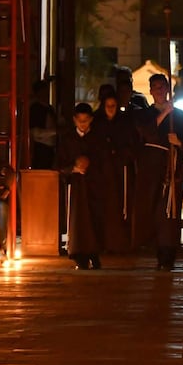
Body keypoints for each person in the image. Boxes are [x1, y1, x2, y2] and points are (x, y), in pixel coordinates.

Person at [133, 74, 183, 270]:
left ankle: (168, 253)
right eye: (156, 87)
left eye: (163, 87)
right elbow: (145, 133)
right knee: (152, 209)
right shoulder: (144, 114)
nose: (160, 91)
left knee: (169, 210)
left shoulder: (179, 115)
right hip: (151, 169)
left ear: (168, 89)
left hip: (171, 167)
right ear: (150, 91)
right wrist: (163, 114)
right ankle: (154, 247)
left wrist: (178, 142)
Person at [56, 103, 105, 269]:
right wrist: (73, 168)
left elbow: (104, 161)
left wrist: (90, 166)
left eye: (86, 120)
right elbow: (59, 164)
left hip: (94, 184)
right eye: (79, 120)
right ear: (74, 120)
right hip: (75, 186)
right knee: (77, 222)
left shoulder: (97, 138)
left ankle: (94, 254)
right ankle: (79, 256)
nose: (83, 124)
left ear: (91, 119)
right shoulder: (68, 139)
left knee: (94, 219)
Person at [93, 90, 137, 253]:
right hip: (103, 170)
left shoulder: (124, 122)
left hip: (120, 170)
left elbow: (131, 144)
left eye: (113, 106)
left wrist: (120, 154)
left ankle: (120, 243)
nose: (110, 109)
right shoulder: (97, 122)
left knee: (121, 205)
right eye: (108, 106)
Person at [29, 80, 57, 169]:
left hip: (51, 148)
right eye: (43, 91)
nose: (46, 94)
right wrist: (55, 131)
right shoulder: (35, 109)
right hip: (40, 148)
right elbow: (35, 132)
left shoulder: (50, 108)